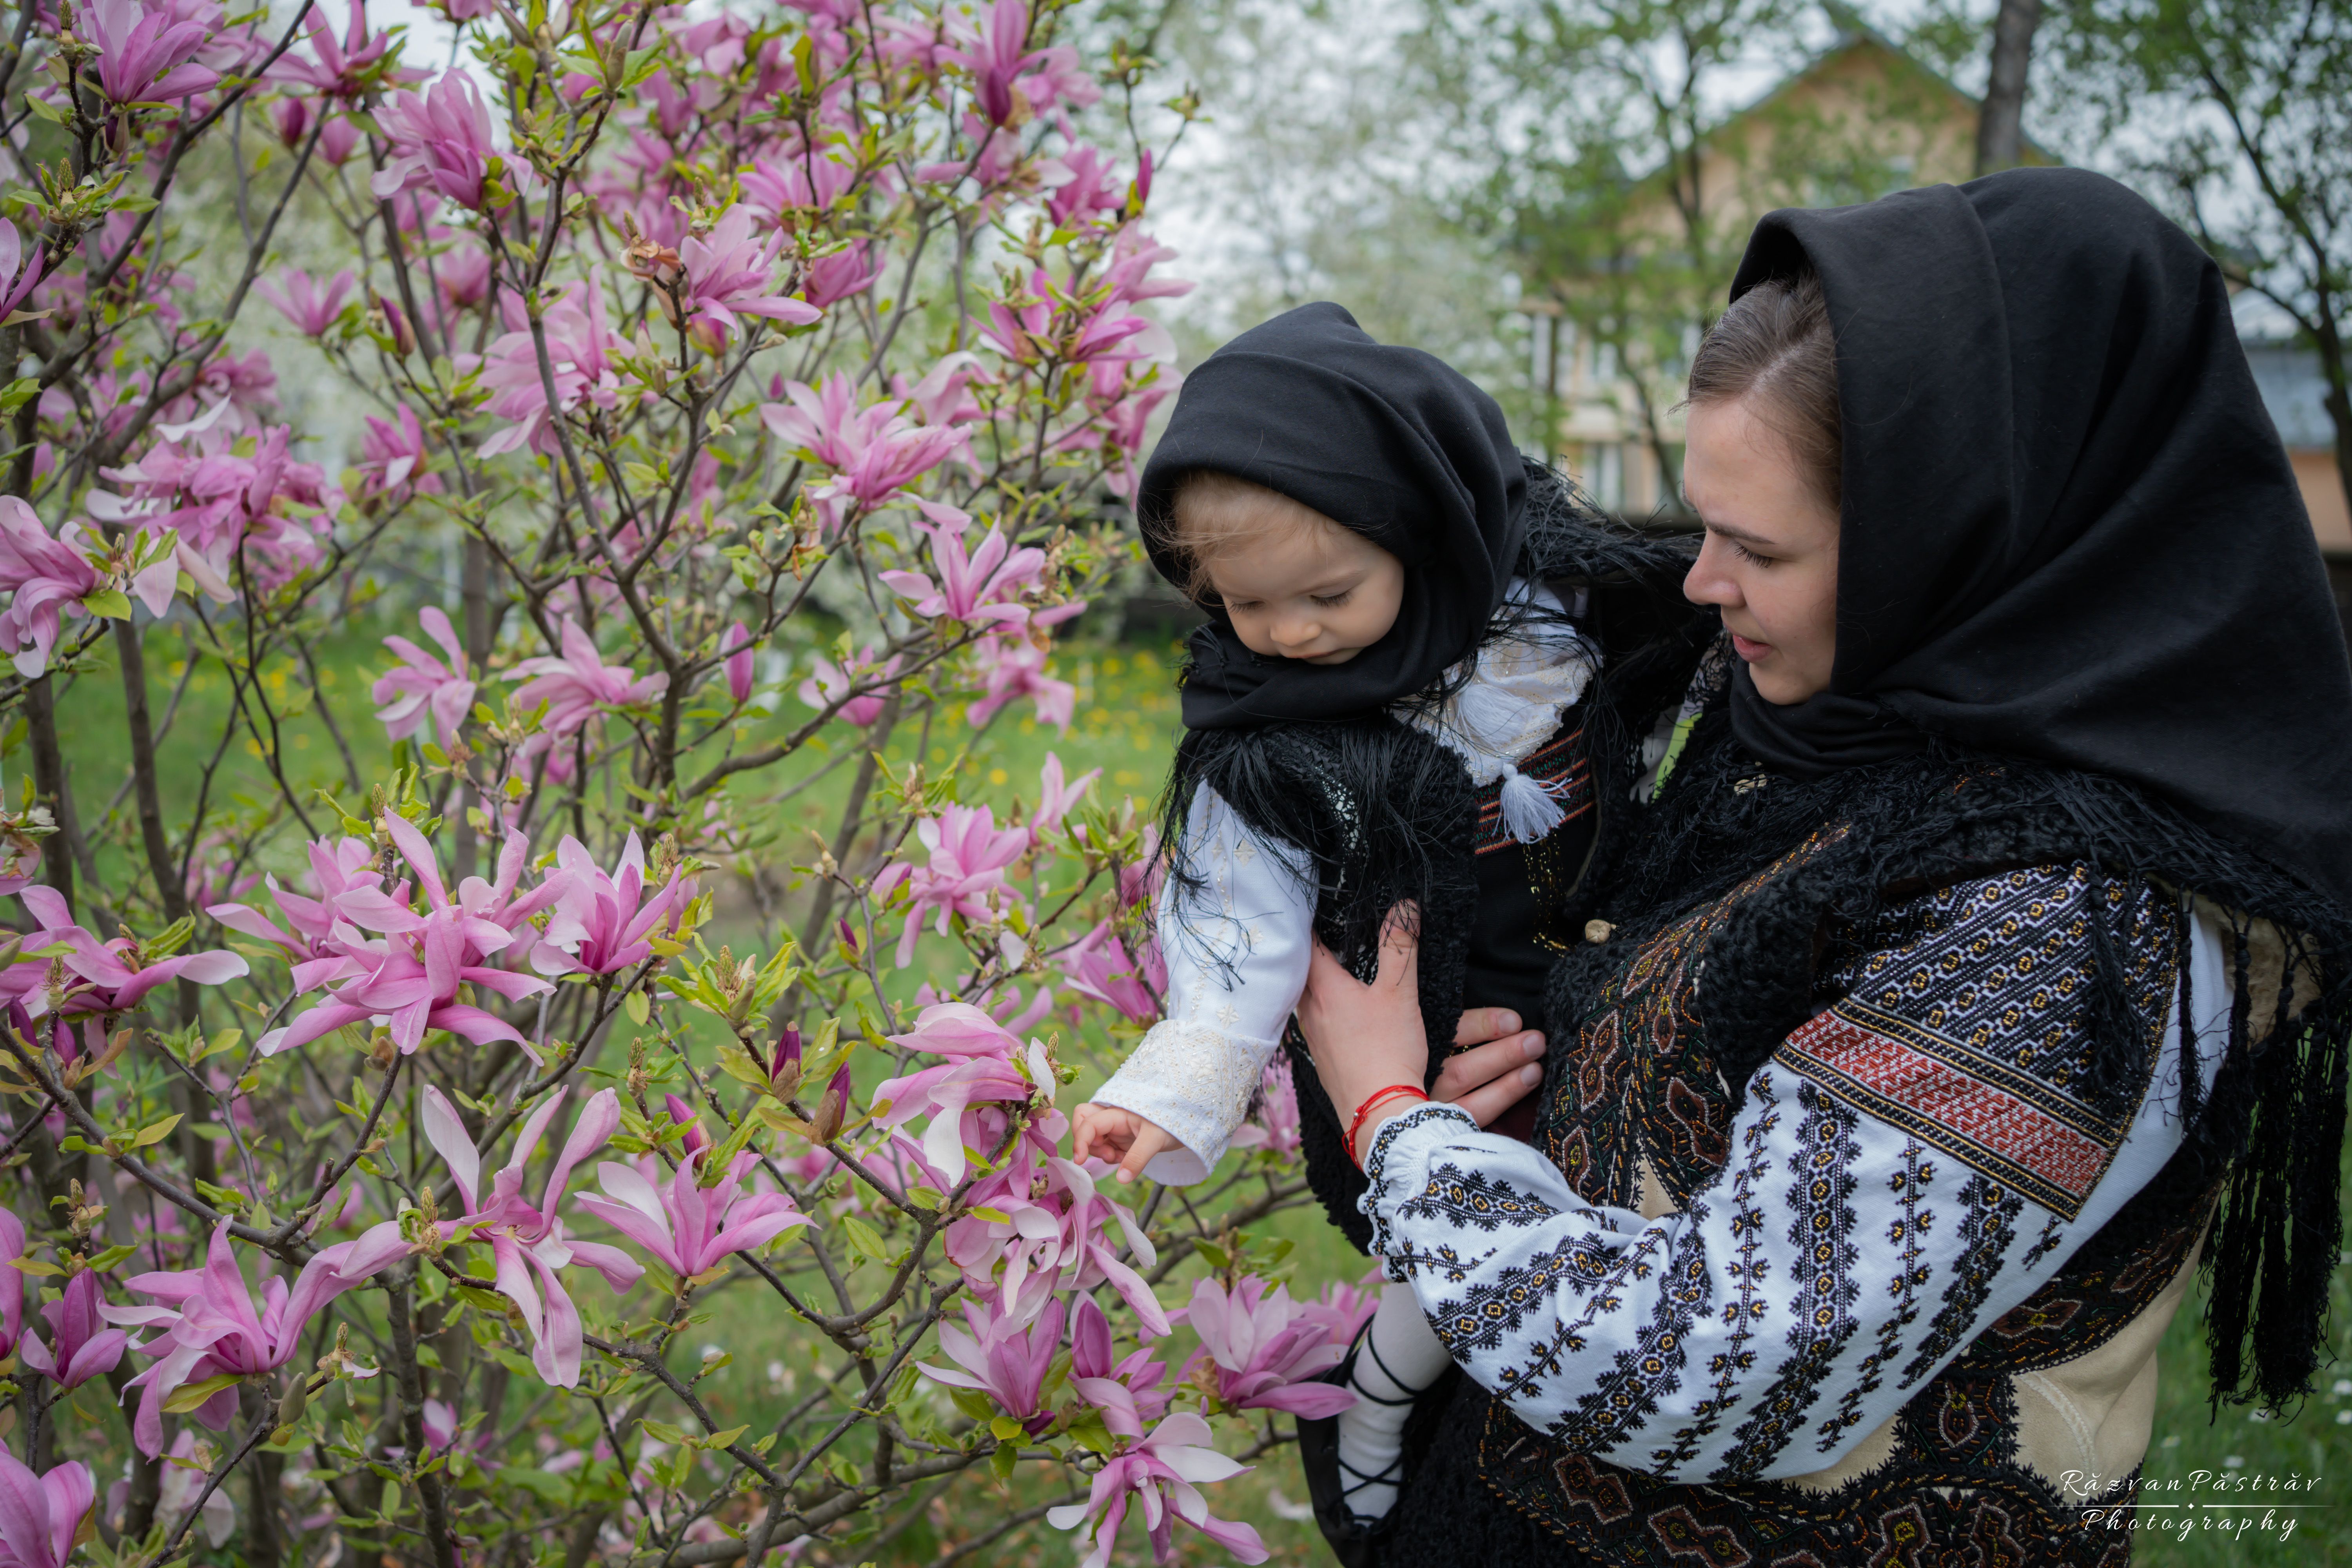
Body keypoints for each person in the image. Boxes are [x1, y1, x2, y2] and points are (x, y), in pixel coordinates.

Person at [1295, 166, 2352, 1567]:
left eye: (1759, 546)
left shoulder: (2070, 915)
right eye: (1703, 524)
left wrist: (1392, 1121)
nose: (1700, 582)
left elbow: (1718, 1365)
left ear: (1954, 543)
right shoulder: (1816, 741)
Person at [1065, 303, 1703, 1555]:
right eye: (1249, 605)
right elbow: (1239, 939)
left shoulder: (1545, 607)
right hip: (1455, 1029)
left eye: (1329, 592)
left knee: (1632, 1211)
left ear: (1429, 529)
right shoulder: (1270, 748)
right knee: (1470, 1239)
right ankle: (1377, 1403)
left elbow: (1679, 641)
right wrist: (1172, 1090)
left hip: (1623, 970)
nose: (1295, 634)